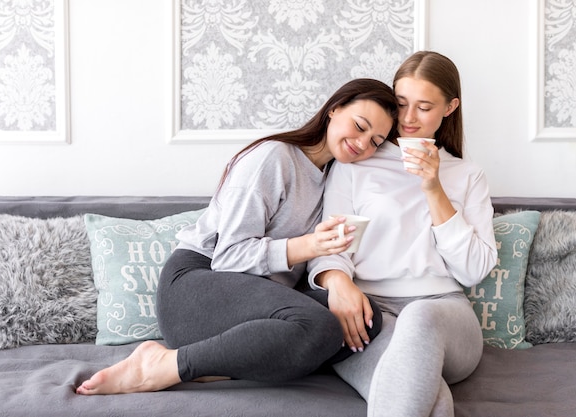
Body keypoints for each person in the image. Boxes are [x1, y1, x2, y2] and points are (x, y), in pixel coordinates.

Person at [75, 78, 397, 395]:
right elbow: (227, 257)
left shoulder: (331, 181)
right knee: (319, 326)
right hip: (195, 288)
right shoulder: (276, 158)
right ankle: (164, 364)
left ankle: (214, 368)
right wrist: (308, 245)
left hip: (252, 309)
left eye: (376, 141)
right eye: (360, 125)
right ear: (334, 109)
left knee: (365, 317)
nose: (363, 142)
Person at [307, 51, 498, 417]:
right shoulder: (357, 163)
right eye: (401, 104)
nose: (408, 119)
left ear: (449, 107)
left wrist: (433, 187)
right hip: (369, 317)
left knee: (419, 317)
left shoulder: (467, 175)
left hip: (445, 315)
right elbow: (330, 245)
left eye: (424, 107)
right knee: (436, 403)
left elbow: (473, 270)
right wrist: (336, 282)